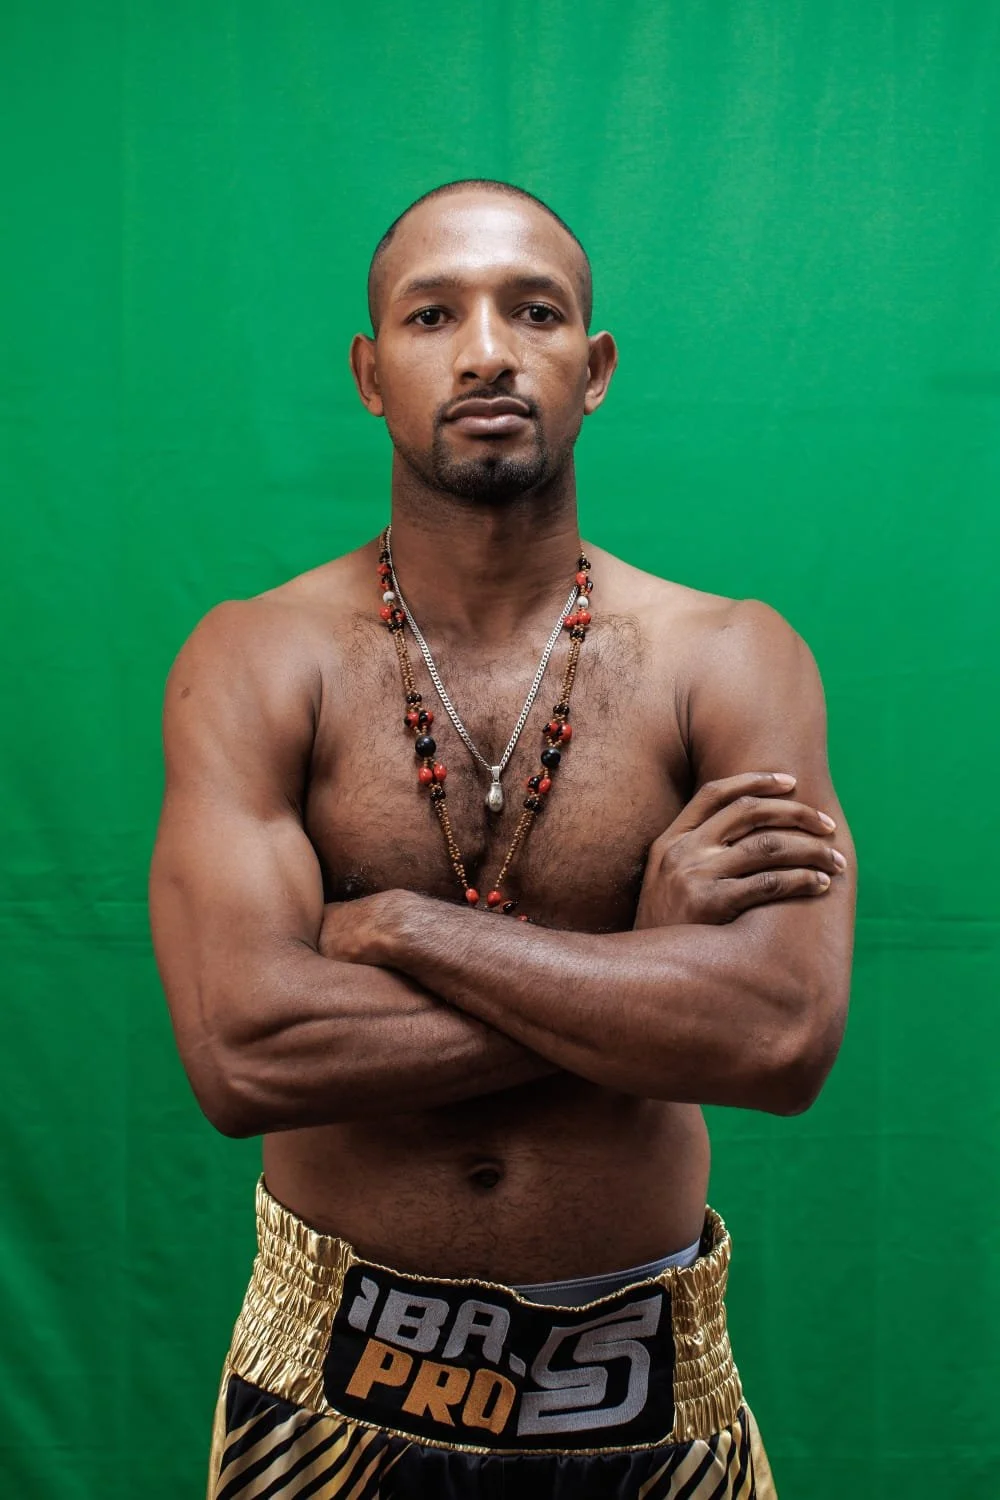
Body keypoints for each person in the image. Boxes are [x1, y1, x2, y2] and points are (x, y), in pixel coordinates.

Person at [149, 179, 856, 1499]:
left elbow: (776, 1035)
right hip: (330, 1393)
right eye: (433, 315)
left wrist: (400, 927)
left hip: (646, 1387)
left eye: (533, 312)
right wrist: (645, 968)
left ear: (592, 371)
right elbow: (245, 1049)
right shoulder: (257, 658)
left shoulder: (731, 659)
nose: (485, 349)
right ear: (372, 373)